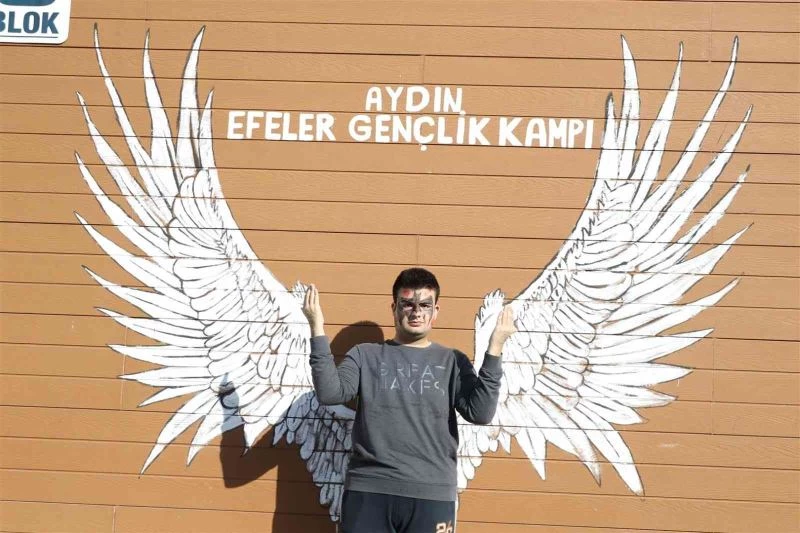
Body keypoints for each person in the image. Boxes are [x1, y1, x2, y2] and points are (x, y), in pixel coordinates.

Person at [302, 267, 515, 533]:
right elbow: (330, 393)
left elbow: (480, 412)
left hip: (432, 495)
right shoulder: (364, 355)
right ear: (394, 308)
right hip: (369, 491)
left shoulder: (452, 361)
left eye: (425, 305)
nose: (416, 312)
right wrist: (316, 327)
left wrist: (495, 347)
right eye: (407, 304)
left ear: (436, 311)